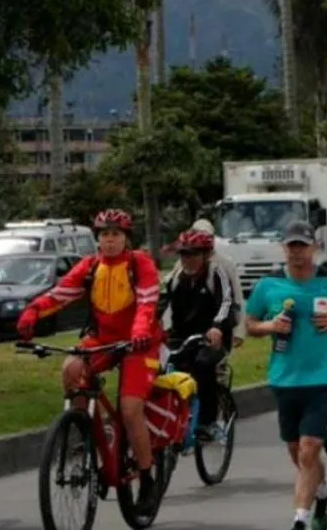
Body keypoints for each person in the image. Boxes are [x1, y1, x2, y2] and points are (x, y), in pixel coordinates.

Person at [16, 208, 165, 514]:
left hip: (140, 344)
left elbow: (148, 301)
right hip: (104, 340)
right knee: (71, 368)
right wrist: (32, 311)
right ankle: (84, 433)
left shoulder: (140, 264)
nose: (109, 242)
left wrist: (138, 330)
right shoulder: (89, 267)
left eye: (115, 235)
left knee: (130, 408)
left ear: (126, 238)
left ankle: (148, 477)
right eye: (104, 236)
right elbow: (60, 295)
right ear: (97, 239)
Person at [244, 220, 327, 530]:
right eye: (291, 246)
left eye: (303, 245)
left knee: (311, 449)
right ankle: (325, 491)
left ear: (314, 247)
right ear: (284, 248)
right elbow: (250, 324)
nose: (297, 252)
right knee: (299, 454)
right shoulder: (269, 285)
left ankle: (299, 523)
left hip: (323, 379)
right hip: (285, 379)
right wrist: (270, 325)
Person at [162, 229, 236, 440]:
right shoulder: (174, 278)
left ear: (206, 255)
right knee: (163, 368)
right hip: (181, 336)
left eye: (194, 254)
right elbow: (160, 305)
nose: (189, 260)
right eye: (184, 254)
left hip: (213, 337)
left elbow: (226, 302)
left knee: (203, 365)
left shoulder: (216, 273)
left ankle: (208, 421)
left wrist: (217, 326)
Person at [188, 218, 246, 347]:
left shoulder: (226, 263)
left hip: (219, 324)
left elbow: (236, 297)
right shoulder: (184, 263)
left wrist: (239, 332)